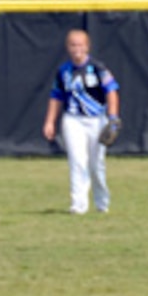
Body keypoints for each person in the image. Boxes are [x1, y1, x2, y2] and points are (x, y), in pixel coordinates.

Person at [42, 29, 119, 215]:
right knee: (77, 161)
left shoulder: (97, 68)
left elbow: (111, 91)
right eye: (73, 44)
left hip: (96, 119)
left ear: (87, 46)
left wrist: (113, 117)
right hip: (73, 119)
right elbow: (56, 96)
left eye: (80, 44)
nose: (77, 48)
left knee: (96, 164)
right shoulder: (64, 71)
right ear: (67, 47)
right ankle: (78, 204)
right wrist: (50, 121)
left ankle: (102, 202)